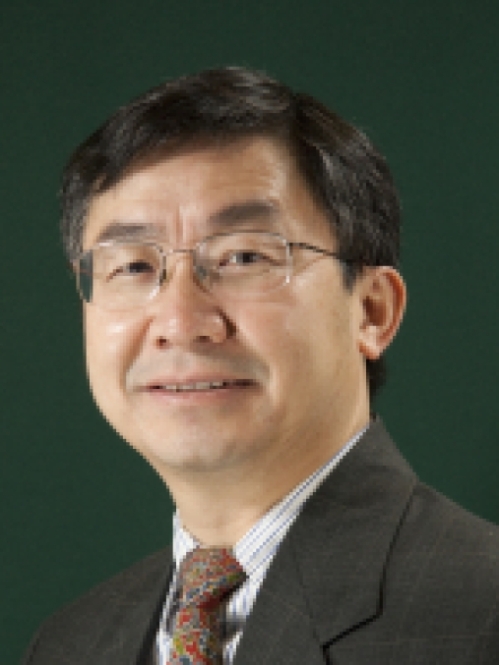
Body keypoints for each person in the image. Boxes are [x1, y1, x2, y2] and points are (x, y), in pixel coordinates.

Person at [23, 66, 499, 665]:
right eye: (135, 268)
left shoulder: (482, 615)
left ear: (373, 311)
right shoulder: (70, 645)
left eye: (243, 256)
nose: (179, 320)